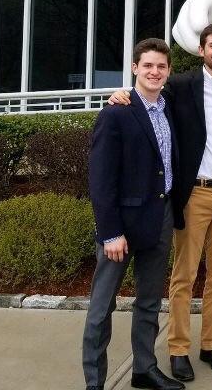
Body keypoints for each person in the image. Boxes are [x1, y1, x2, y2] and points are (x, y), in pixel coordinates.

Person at [107, 23, 212, 383]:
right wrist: (122, 95)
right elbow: (147, 91)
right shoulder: (181, 85)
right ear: (201, 50)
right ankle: (178, 348)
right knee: (184, 276)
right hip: (194, 194)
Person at [82, 38, 184, 390]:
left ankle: (144, 369)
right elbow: (101, 179)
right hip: (121, 226)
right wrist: (110, 232)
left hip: (160, 217)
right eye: (148, 65)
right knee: (102, 306)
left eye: (161, 66)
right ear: (135, 68)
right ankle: (94, 380)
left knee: (150, 301)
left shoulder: (168, 106)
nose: (155, 72)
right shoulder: (116, 112)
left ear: (168, 71)